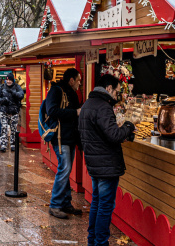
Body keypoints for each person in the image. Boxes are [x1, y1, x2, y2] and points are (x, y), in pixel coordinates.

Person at [79, 74, 135, 246]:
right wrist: (127, 126)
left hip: (95, 164)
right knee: (105, 206)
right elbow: (113, 135)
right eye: (117, 91)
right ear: (109, 88)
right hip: (106, 166)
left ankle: (93, 241)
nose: (117, 96)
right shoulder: (103, 107)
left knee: (97, 202)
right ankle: (100, 242)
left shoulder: (88, 104)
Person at [44, 68, 83, 219]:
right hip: (60, 137)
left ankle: (66, 203)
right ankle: (55, 205)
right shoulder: (56, 90)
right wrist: (75, 112)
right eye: (78, 80)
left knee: (66, 170)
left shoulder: (71, 92)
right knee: (64, 169)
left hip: (70, 137)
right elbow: (51, 111)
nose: (80, 83)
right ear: (71, 80)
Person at [0, 73, 25, 153]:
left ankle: (13, 144)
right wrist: (3, 100)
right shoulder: (1, 87)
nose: (8, 81)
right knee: (4, 128)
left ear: (13, 80)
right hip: (4, 111)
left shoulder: (17, 87)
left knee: (13, 129)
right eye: (7, 79)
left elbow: (21, 95)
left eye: (10, 80)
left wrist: (14, 93)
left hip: (14, 111)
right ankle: (3, 145)